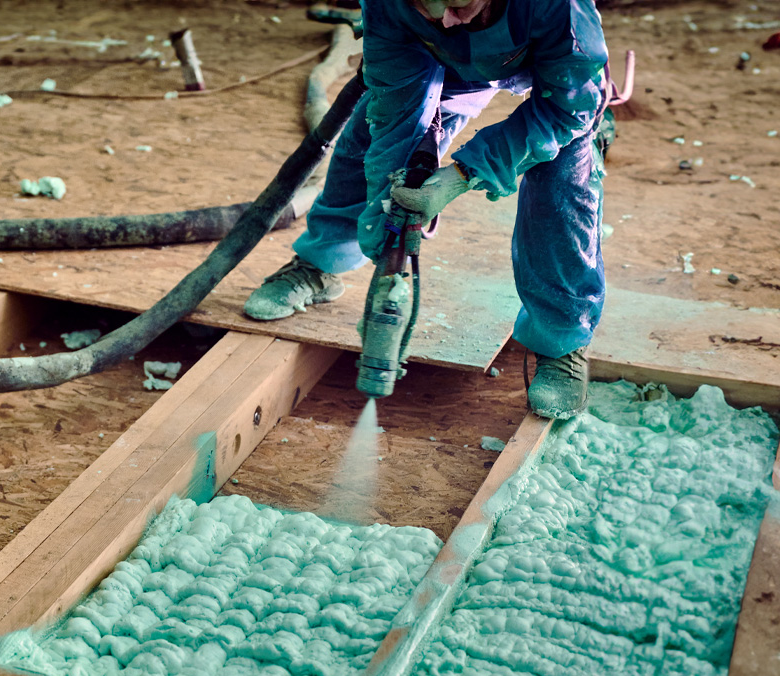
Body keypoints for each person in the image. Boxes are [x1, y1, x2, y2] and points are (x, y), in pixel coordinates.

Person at [244, 0, 610, 419]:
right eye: (429, 6)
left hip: (559, 80)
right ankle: (320, 263)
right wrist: (392, 217)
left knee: (562, 178)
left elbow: (567, 109)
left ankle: (563, 340)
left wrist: (462, 175)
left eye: (460, 3)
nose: (447, 19)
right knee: (367, 135)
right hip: (445, 63)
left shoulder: (558, 9)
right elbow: (398, 109)